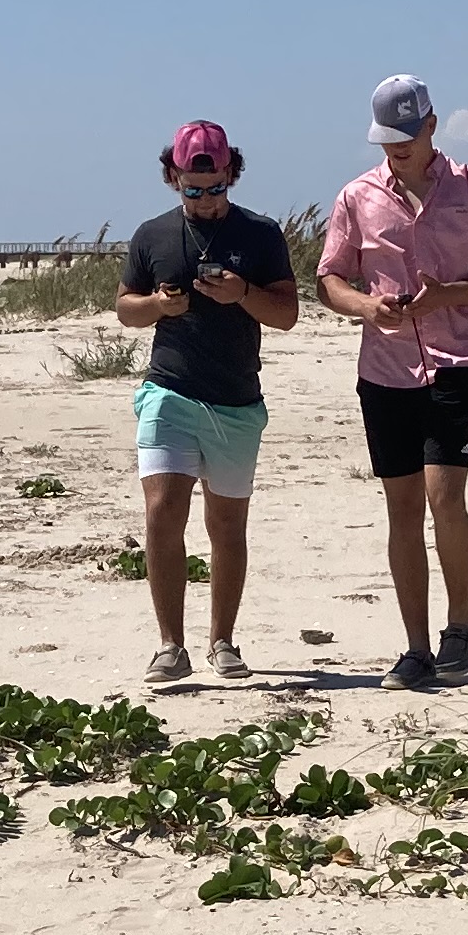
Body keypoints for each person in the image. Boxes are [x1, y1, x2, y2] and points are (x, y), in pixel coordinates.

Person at [316, 75, 468, 686]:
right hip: (384, 369)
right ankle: (415, 647)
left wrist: (451, 295)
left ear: (432, 125)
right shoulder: (356, 197)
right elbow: (330, 280)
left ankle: (460, 625)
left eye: (406, 136)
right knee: (401, 508)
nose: (396, 149)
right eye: (386, 140)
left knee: (444, 497)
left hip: (453, 362)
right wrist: (366, 308)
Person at [113, 119, 301, 683]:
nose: (206, 199)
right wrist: (159, 307)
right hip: (168, 390)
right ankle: (170, 645)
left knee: (226, 525)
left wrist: (243, 293)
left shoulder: (262, 234)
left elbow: (287, 315)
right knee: (162, 512)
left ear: (231, 174)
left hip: (237, 400)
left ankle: (223, 641)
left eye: (216, 187)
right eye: (193, 190)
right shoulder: (152, 235)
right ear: (174, 178)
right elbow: (125, 308)